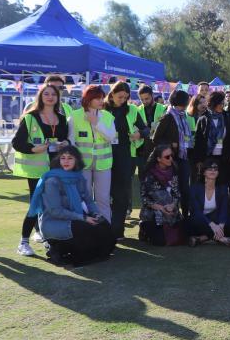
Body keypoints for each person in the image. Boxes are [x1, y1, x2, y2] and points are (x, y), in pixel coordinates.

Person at [11, 83, 70, 256]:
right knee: (36, 204)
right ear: (40, 97)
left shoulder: (62, 118)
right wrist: (33, 148)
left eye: (53, 94)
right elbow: (17, 143)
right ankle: (23, 242)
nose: (50, 97)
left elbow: (66, 139)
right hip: (37, 170)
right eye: (46, 94)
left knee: (54, 205)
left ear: (58, 98)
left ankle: (50, 240)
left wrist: (65, 143)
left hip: (57, 168)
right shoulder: (30, 117)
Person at [31, 145, 117, 265]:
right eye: (63, 158)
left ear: (77, 160)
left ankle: (74, 248)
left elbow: (89, 201)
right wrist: (83, 218)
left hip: (76, 218)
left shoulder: (78, 177)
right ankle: (56, 248)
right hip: (54, 223)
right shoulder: (52, 181)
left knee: (105, 227)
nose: (66, 161)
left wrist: (96, 214)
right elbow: (56, 211)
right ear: (58, 160)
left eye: (70, 158)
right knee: (83, 229)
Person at [104, 81, 147, 239]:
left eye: (126, 97)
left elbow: (145, 129)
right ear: (112, 94)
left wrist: (139, 134)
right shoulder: (102, 109)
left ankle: (117, 230)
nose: (123, 100)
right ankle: (104, 229)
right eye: (120, 97)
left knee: (121, 194)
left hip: (124, 155)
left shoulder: (132, 109)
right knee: (104, 194)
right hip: (104, 155)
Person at [69, 85, 115, 224]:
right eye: (97, 98)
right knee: (84, 198)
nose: (101, 101)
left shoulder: (107, 116)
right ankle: (86, 229)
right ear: (88, 99)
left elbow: (111, 137)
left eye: (102, 98)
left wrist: (96, 123)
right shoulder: (75, 116)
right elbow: (71, 141)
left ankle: (106, 230)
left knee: (103, 199)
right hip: (82, 165)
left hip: (103, 164)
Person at [185, 160, 230, 248]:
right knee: (191, 222)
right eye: (209, 169)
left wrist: (221, 226)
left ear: (218, 172)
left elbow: (224, 208)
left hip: (215, 218)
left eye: (215, 169)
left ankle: (202, 238)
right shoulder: (195, 188)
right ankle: (224, 239)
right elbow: (196, 211)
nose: (213, 171)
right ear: (204, 172)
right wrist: (212, 225)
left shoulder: (223, 188)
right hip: (201, 219)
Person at [153, 89, 197, 198]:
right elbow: (156, 138)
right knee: (173, 187)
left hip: (184, 156)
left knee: (185, 187)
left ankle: (186, 208)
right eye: (187, 100)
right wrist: (171, 144)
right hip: (172, 158)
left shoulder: (183, 115)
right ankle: (174, 208)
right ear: (182, 101)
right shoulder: (168, 116)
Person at [138, 145, 185, 246]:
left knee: (184, 235)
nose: (171, 158)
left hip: (171, 213)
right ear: (158, 159)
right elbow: (144, 197)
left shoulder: (174, 170)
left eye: (171, 155)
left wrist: (172, 205)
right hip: (153, 214)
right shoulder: (148, 174)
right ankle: (143, 228)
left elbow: (177, 194)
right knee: (160, 241)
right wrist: (159, 207)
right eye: (167, 157)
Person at [192, 90, 230, 181]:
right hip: (207, 156)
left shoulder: (226, 117)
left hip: (223, 156)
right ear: (214, 104)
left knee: (222, 181)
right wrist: (198, 160)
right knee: (207, 181)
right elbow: (198, 140)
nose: (222, 105)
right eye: (220, 103)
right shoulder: (203, 119)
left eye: (223, 103)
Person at [133, 85, 167, 179]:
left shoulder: (163, 108)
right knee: (143, 177)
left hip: (157, 149)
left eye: (146, 98)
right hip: (142, 149)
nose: (144, 101)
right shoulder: (137, 110)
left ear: (152, 95)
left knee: (158, 178)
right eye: (142, 99)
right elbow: (135, 129)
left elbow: (165, 129)